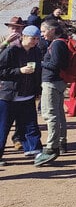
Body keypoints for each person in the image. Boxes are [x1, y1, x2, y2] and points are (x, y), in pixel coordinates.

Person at [0, 24, 44, 163]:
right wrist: (20, 71)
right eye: (33, 38)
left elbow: (38, 72)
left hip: (28, 95)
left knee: (31, 125)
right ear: (23, 36)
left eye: (37, 38)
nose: (35, 41)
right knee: (3, 128)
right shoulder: (11, 50)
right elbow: (1, 71)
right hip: (9, 97)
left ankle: (36, 152)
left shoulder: (36, 52)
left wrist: (38, 90)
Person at [34, 20, 71, 167]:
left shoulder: (56, 44)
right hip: (58, 82)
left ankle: (51, 147)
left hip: (51, 82)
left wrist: (40, 63)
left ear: (51, 30)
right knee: (59, 114)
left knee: (50, 115)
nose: (42, 34)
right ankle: (61, 143)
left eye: (43, 31)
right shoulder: (61, 42)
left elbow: (56, 64)